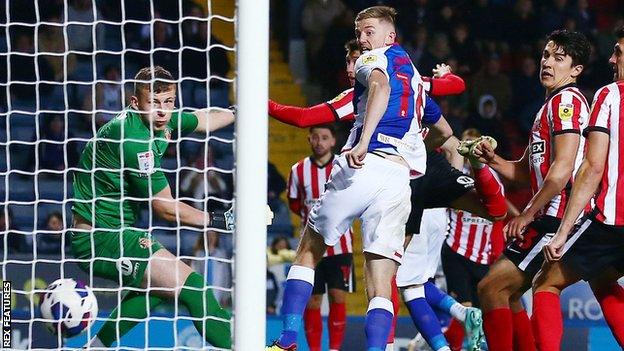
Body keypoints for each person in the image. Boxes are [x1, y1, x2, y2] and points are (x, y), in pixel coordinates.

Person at [269, 34, 507, 351]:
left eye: (357, 59)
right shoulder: (412, 82)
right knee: (400, 279)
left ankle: (375, 343)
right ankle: (428, 336)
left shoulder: (356, 97)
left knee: (392, 278)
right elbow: (454, 96)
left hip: (397, 178)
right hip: (417, 172)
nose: (353, 68)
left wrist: (261, 104)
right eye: (350, 62)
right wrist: (444, 78)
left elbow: (303, 117)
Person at [267, 6, 430, 350]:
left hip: (365, 164)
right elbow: (441, 115)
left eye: (369, 31)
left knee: (309, 251)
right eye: (359, 33)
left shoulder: (371, 61)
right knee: (381, 282)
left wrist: (365, 140)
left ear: (389, 36)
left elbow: (380, 88)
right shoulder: (416, 77)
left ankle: (287, 340)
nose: (362, 40)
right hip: (400, 179)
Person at [73, 66, 236, 348]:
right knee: (194, 288)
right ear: (135, 102)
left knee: (159, 288)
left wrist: (238, 111)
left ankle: (97, 347)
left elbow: (202, 119)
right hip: (99, 237)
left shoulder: (163, 120)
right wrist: (222, 220)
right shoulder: (133, 138)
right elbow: (165, 208)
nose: (162, 111)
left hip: (114, 233)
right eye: (154, 103)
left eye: (168, 102)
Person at [467, 30, 591, 351]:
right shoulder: (547, 107)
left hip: (558, 218)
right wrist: (492, 159)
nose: (547, 62)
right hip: (548, 216)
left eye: (558, 58)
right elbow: (524, 171)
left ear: (575, 70)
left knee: (493, 288)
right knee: (506, 293)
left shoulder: (566, 102)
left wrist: (527, 213)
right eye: (546, 55)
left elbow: (562, 168)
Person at [531, 26, 624, 351]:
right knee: (602, 279)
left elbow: (591, 167)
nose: (612, 58)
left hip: (613, 221)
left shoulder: (609, 95)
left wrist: (563, 232)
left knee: (545, 282)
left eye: (619, 52)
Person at [442, 129, 519, 351]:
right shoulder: (454, 174)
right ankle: (453, 347)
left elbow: (500, 205)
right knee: (464, 309)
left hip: (483, 257)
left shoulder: (490, 178)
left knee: (482, 311)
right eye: (466, 141)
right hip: (455, 251)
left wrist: (520, 215)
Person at [287, 124, 354, 351]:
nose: (319, 142)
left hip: (340, 245)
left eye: (324, 137)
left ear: (334, 141)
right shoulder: (298, 170)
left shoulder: (344, 166)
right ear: (309, 140)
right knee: (313, 300)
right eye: (315, 137)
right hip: (311, 248)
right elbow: (295, 204)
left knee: (338, 297)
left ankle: (334, 348)